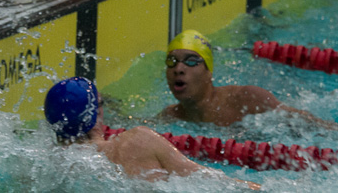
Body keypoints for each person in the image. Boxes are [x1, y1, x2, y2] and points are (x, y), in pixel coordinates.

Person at [44, 77, 261, 188]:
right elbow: (214, 183)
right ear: (94, 114)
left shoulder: (48, 167)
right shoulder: (138, 142)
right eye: (101, 104)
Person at [159, 30, 338, 133]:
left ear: (209, 72)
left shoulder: (246, 99)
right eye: (172, 61)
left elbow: (306, 123)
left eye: (191, 61)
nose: (179, 69)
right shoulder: (172, 116)